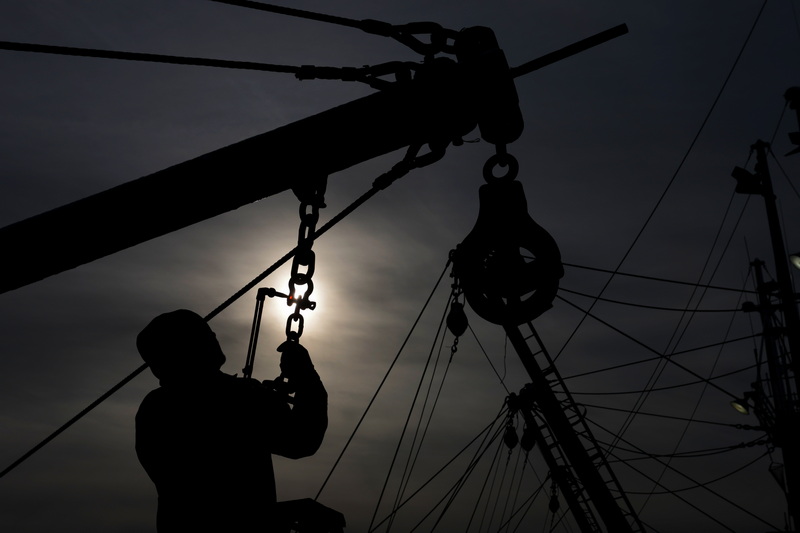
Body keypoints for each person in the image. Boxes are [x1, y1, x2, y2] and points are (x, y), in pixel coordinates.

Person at [134, 309, 328, 532]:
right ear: (189, 348)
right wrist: (306, 377)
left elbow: (200, 499)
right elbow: (302, 440)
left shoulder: (153, 409)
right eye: (205, 334)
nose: (214, 337)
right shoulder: (239, 398)